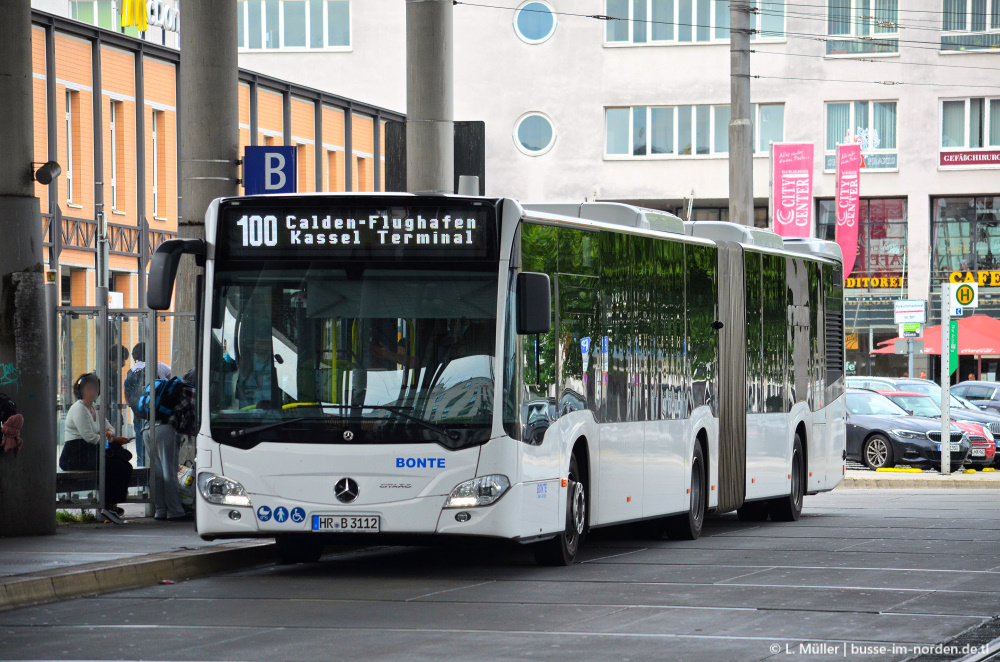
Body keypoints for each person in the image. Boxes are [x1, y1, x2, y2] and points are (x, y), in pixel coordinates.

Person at [59, 373, 133, 525]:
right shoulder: (79, 408)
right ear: (80, 391)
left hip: (90, 450)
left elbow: (109, 427)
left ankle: (112, 504)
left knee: (124, 462)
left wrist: (110, 434)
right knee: (114, 463)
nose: (93, 392)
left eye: (95, 388)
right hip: (75, 453)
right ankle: (107, 504)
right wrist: (112, 441)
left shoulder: (94, 408)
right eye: (89, 389)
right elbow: (89, 437)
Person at [124, 342, 171, 466]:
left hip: (138, 413)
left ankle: (142, 469)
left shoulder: (130, 371)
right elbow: (170, 382)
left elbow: (127, 398)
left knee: (141, 443)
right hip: (158, 414)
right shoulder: (158, 366)